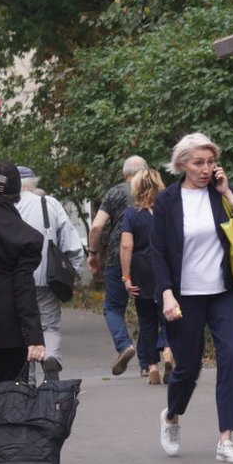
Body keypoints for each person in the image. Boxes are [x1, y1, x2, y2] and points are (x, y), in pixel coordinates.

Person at [152, 132, 233, 463]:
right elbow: (158, 253)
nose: (206, 168)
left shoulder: (220, 195)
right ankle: (171, 415)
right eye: (199, 162)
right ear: (182, 163)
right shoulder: (167, 201)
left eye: (210, 162)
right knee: (188, 366)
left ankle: (226, 439)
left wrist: (227, 191)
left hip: (223, 292)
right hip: (185, 296)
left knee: (230, 358)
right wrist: (167, 294)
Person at [0, 161, 46, 424]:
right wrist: (34, 337)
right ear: (16, 195)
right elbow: (23, 287)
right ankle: (0, 461)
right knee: (9, 399)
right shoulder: (26, 237)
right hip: (7, 328)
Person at [14, 166, 85, 381]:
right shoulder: (49, 203)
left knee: (21, 328)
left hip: (16, 279)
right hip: (47, 277)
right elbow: (70, 241)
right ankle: (51, 356)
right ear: (34, 183)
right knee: (49, 325)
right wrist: (75, 271)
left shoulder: (7, 206)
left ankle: (28, 379)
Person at [88, 155, 148, 376]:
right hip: (148, 256)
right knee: (148, 309)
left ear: (125, 174)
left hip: (117, 255)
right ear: (146, 171)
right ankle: (147, 364)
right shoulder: (154, 191)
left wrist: (92, 253)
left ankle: (124, 345)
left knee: (113, 307)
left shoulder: (114, 192)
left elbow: (96, 227)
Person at [120, 168, 173, 385]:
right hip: (166, 270)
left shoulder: (131, 214)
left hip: (142, 272)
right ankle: (169, 350)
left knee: (147, 321)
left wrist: (126, 278)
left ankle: (152, 367)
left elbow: (126, 245)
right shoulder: (168, 210)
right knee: (169, 316)